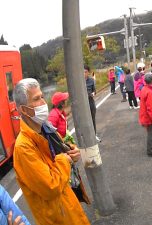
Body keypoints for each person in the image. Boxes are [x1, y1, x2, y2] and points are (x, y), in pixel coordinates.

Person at [12, 78, 90, 225]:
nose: (43, 102)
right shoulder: (23, 148)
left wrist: (73, 153)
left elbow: (63, 151)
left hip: (69, 206)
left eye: (42, 96)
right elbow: (50, 187)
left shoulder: (46, 128)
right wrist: (65, 159)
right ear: (23, 109)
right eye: (36, 99)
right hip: (57, 218)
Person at [84, 65, 101, 142]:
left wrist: (93, 93)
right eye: (83, 72)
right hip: (83, 104)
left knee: (92, 119)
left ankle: (94, 135)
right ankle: (86, 136)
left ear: (88, 72)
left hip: (90, 101)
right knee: (84, 120)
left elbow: (94, 91)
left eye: (85, 72)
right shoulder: (78, 82)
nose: (84, 73)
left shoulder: (91, 80)